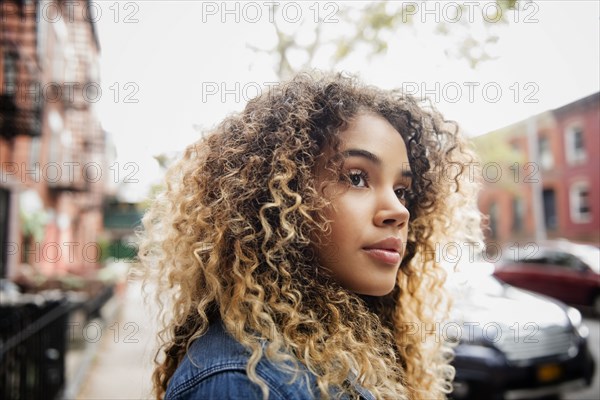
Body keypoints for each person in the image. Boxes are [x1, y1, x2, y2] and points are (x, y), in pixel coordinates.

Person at [138, 72, 483, 400]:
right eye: (357, 177)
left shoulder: (349, 343)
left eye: (402, 190)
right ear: (280, 199)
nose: (399, 211)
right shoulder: (242, 380)